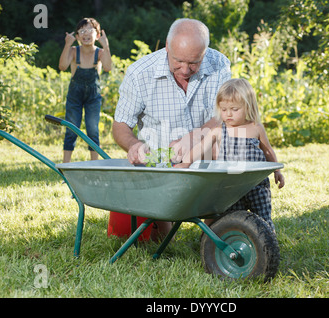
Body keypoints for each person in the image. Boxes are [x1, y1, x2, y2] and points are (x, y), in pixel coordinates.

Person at [112, 18, 231, 240]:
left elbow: (224, 116)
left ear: (205, 52)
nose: (185, 70)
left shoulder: (220, 64)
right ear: (167, 47)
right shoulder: (140, 74)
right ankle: (162, 226)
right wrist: (133, 144)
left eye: (194, 62)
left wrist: (194, 137)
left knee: (225, 143)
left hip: (206, 158)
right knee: (160, 242)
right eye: (178, 61)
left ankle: (212, 235)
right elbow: (120, 125)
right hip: (159, 163)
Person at [176, 78, 285, 230]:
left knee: (263, 218)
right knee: (229, 218)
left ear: (248, 107)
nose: (229, 114)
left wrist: (277, 171)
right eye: (224, 109)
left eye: (234, 109)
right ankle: (230, 242)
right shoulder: (219, 130)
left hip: (256, 185)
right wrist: (186, 162)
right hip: (231, 187)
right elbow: (201, 147)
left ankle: (266, 243)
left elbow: (267, 150)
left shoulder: (255, 128)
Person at [59, 17, 112, 163]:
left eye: (90, 30)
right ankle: (66, 166)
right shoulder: (74, 51)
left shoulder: (100, 53)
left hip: (93, 96)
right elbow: (62, 66)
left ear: (97, 35)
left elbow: (108, 67)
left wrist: (106, 46)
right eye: (82, 31)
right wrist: (67, 45)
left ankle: (94, 165)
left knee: (92, 131)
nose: (86, 33)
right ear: (77, 37)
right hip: (75, 95)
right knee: (71, 129)